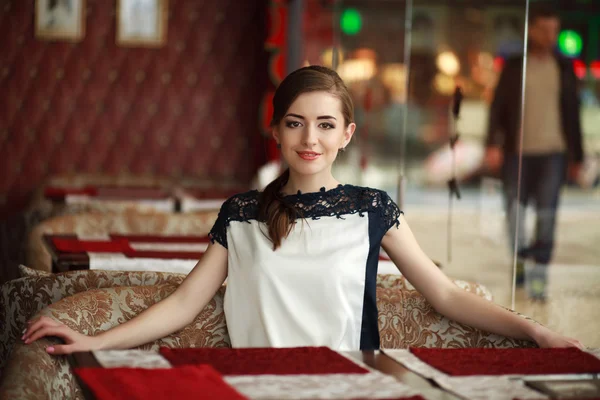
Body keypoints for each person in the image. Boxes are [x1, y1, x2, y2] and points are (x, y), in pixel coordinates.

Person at [23, 65, 583, 354]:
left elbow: (445, 294)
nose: (308, 138)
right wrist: (92, 341)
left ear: (347, 135)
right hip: (258, 386)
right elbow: (183, 305)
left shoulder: (373, 209)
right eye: (295, 122)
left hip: (350, 384)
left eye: (325, 124)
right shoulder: (241, 213)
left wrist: (533, 331)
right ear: (276, 132)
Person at [485, 6, 584, 300]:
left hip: (553, 154)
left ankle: (539, 275)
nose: (550, 35)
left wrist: (577, 157)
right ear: (532, 30)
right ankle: (519, 263)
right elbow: (498, 106)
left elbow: (573, 114)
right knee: (515, 213)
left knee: (547, 216)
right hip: (517, 153)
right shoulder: (516, 66)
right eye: (544, 29)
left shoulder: (565, 67)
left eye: (554, 30)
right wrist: (492, 143)